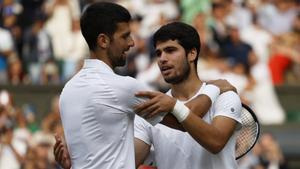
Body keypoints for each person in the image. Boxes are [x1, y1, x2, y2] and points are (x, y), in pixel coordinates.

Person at [58, 2, 235, 169]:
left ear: (192, 54)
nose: (131, 43)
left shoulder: (68, 89)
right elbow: (185, 117)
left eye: (170, 50)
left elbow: (123, 158)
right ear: (103, 41)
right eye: (125, 36)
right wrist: (214, 88)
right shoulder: (125, 90)